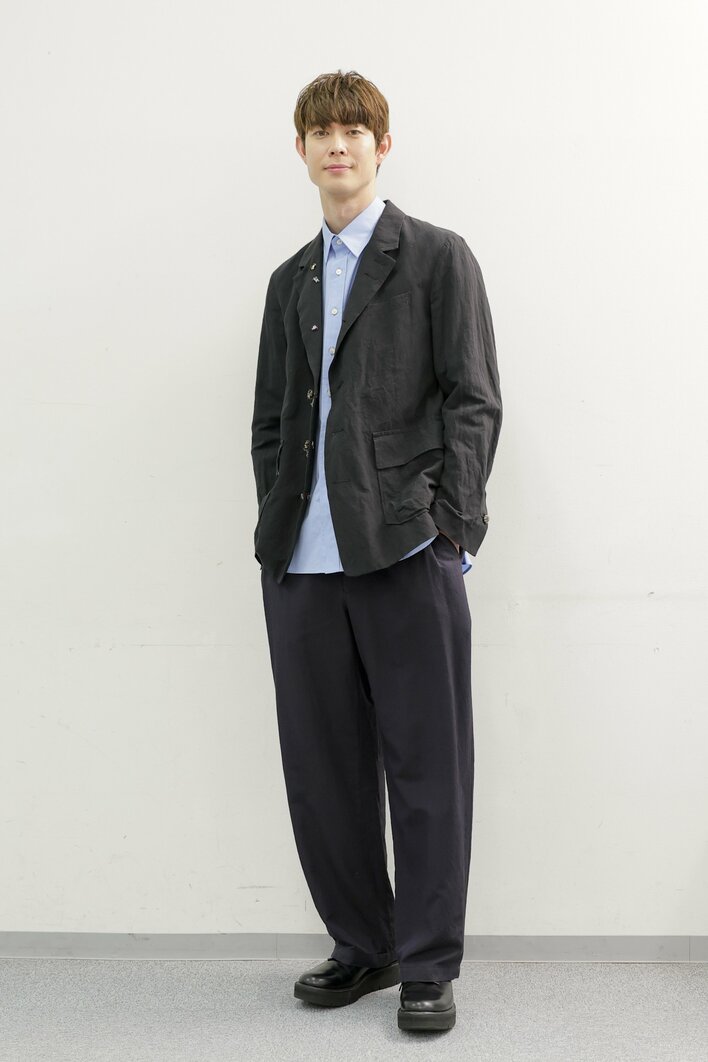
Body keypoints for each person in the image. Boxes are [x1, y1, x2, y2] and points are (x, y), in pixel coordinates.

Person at [250, 69, 502, 1032]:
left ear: (381, 145)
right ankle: (365, 945)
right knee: (322, 773)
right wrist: (276, 521)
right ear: (302, 150)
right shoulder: (290, 281)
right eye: (321, 132)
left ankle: (430, 963)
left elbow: (473, 399)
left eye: (354, 130)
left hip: (405, 550)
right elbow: (271, 423)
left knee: (427, 765)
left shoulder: (436, 257)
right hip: (302, 566)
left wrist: (452, 530)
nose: (338, 145)